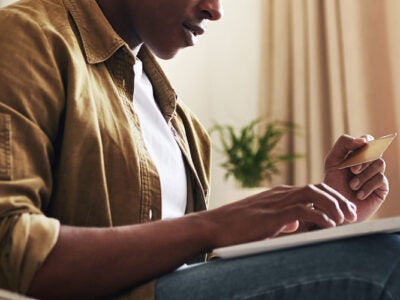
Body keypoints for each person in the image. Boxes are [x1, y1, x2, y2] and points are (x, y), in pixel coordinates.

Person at [0, 0, 399, 299]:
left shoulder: (182, 123)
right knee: (383, 260)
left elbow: (196, 267)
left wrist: (316, 227)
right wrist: (212, 226)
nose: (215, 9)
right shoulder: (30, 37)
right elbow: (11, 245)